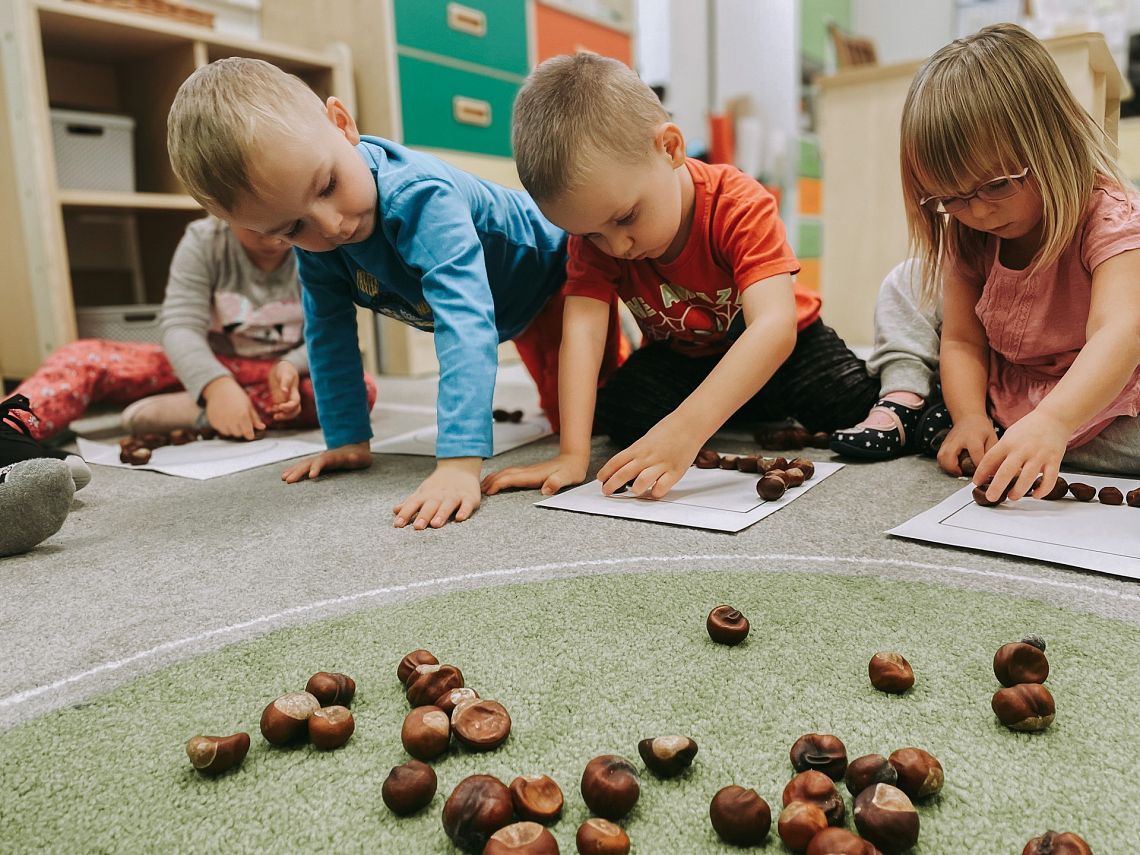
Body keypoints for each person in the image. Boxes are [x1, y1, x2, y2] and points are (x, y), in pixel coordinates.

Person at [165, 57, 624, 530]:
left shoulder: (421, 197)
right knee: (567, 417)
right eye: (292, 228)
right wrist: (347, 438)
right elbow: (328, 334)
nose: (331, 226)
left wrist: (458, 463)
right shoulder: (317, 247)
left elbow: (464, 323)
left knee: (597, 420)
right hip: (510, 307)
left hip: (560, 275)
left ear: (342, 124)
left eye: (328, 186)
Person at [482, 52, 878, 500]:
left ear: (670, 149)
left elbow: (774, 326)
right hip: (683, 356)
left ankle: (740, 402)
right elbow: (582, 334)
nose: (616, 246)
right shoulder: (596, 240)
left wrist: (687, 429)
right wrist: (572, 454)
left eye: (626, 218)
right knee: (621, 413)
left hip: (787, 348)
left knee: (849, 403)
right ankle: (734, 404)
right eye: (591, 234)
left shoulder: (738, 202)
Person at [849, 23, 1140, 503]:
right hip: (1008, 385)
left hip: (1105, 392)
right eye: (951, 198)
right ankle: (910, 396)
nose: (979, 212)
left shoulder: (1112, 218)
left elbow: (1119, 333)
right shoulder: (968, 231)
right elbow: (962, 340)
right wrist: (969, 417)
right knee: (905, 282)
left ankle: (1015, 434)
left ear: (1055, 141)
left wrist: (1054, 421)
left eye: (997, 185)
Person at [13, 217, 371, 445]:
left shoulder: (316, 244)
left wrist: (291, 365)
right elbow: (180, 328)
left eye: (286, 217)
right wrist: (215, 385)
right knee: (82, 356)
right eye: (257, 217)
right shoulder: (205, 240)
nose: (274, 230)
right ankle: (10, 429)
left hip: (279, 375)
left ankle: (200, 410)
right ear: (221, 206)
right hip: (202, 364)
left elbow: (330, 333)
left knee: (358, 389)